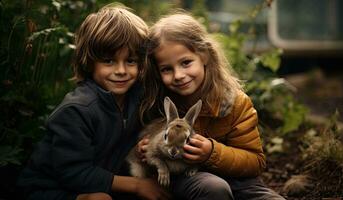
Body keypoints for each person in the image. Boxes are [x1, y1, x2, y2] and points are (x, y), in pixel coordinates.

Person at [17, 4, 170, 200]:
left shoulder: (138, 98)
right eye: (109, 61)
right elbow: (74, 173)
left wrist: (143, 148)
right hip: (49, 190)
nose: (121, 70)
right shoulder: (76, 110)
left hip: (103, 183)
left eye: (130, 61)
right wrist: (137, 186)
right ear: (90, 62)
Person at [139, 13, 286, 200]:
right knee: (214, 189)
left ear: (204, 55)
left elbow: (255, 161)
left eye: (186, 63)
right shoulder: (157, 101)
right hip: (186, 175)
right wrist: (145, 148)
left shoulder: (235, 103)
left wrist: (212, 152)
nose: (178, 75)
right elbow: (145, 143)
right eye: (167, 69)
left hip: (236, 179)